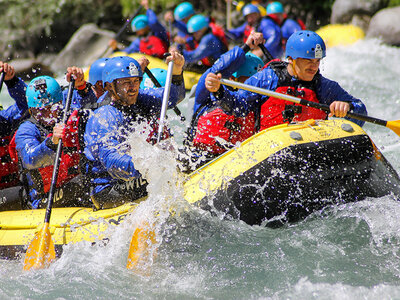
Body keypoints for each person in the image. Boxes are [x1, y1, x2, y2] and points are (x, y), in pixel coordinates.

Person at [204, 30, 367, 133]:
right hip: (271, 150)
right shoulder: (267, 79)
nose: (314, 66)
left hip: (311, 147)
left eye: (317, 61)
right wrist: (219, 91)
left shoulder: (324, 87)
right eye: (308, 60)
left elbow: (361, 113)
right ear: (291, 59)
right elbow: (238, 107)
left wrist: (348, 108)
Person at [83, 51, 185, 210]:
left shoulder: (140, 99)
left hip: (135, 178)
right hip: (109, 189)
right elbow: (111, 160)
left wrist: (177, 72)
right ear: (109, 86)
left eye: (136, 81)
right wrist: (146, 163)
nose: (132, 88)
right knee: (167, 176)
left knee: (180, 164)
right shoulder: (104, 116)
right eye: (125, 83)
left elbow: (170, 99)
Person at [179, 32, 265, 172]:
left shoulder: (257, 104)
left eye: (258, 82)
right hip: (200, 161)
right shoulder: (207, 91)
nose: (256, 86)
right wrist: (246, 46)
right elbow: (217, 69)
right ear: (232, 79)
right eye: (249, 80)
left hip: (236, 166)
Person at [13, 70, 93, 210]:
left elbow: (91, 106)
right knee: (81, 183)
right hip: (44, 199)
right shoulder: (27, 130)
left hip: (72, 186)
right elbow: (30, 159)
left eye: (51, 108)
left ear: (60, 104)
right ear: (31, 110)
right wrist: (52, 142)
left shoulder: (68, 115)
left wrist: (81, 87)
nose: (46, 115)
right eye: (39, 111)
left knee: (91, 180)